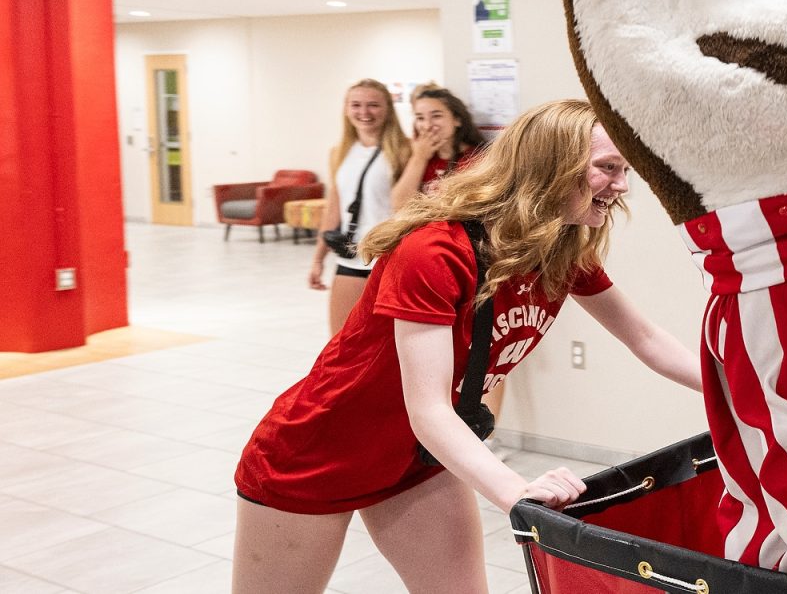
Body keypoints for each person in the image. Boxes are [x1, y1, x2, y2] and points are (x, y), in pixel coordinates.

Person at [234, 99, 703, 594]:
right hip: (316, 454)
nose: (623, 185)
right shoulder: (435, 251)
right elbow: (429, 408)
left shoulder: (563, 249)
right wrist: (518, 492)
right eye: (608, 168)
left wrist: (741, 394)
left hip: (416, 459)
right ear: (553, 164)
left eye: (624, 170)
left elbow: (647, 340)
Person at [310, 78, 413, 334]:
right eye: (356, 105)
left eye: (373, 105)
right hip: (351, 257)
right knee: (340, 343)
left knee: (386, 345)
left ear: (388, 108)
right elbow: (334, 209)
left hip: (390, 257)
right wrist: (318, 258)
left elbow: (409, 205)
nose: (364, 113)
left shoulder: (405, 150)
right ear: (346, 109)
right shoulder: (340, 152)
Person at [393, 88, 488, 208]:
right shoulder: (416, 156)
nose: (427, 125)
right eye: (420, 118)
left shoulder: (477, 159)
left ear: (457, 120)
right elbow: (398, 206)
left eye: (436, 116)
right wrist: (419, 157)